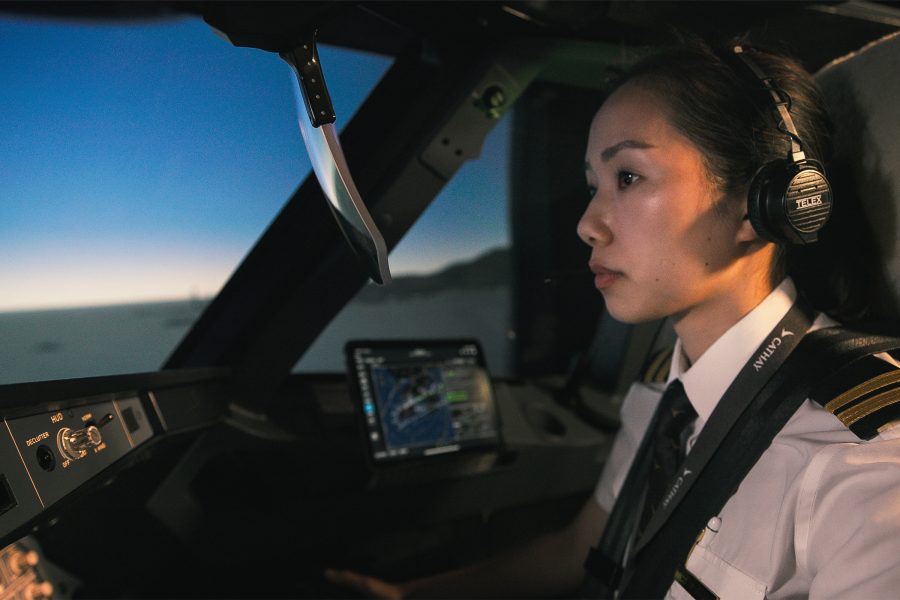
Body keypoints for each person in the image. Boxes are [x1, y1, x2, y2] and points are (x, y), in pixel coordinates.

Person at [326, 37, 900, 598]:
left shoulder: (863, 463)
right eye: (592, 185)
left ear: (761, 202)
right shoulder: (664, 391)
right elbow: (583, 551)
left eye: (628, 177)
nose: (586, 224)